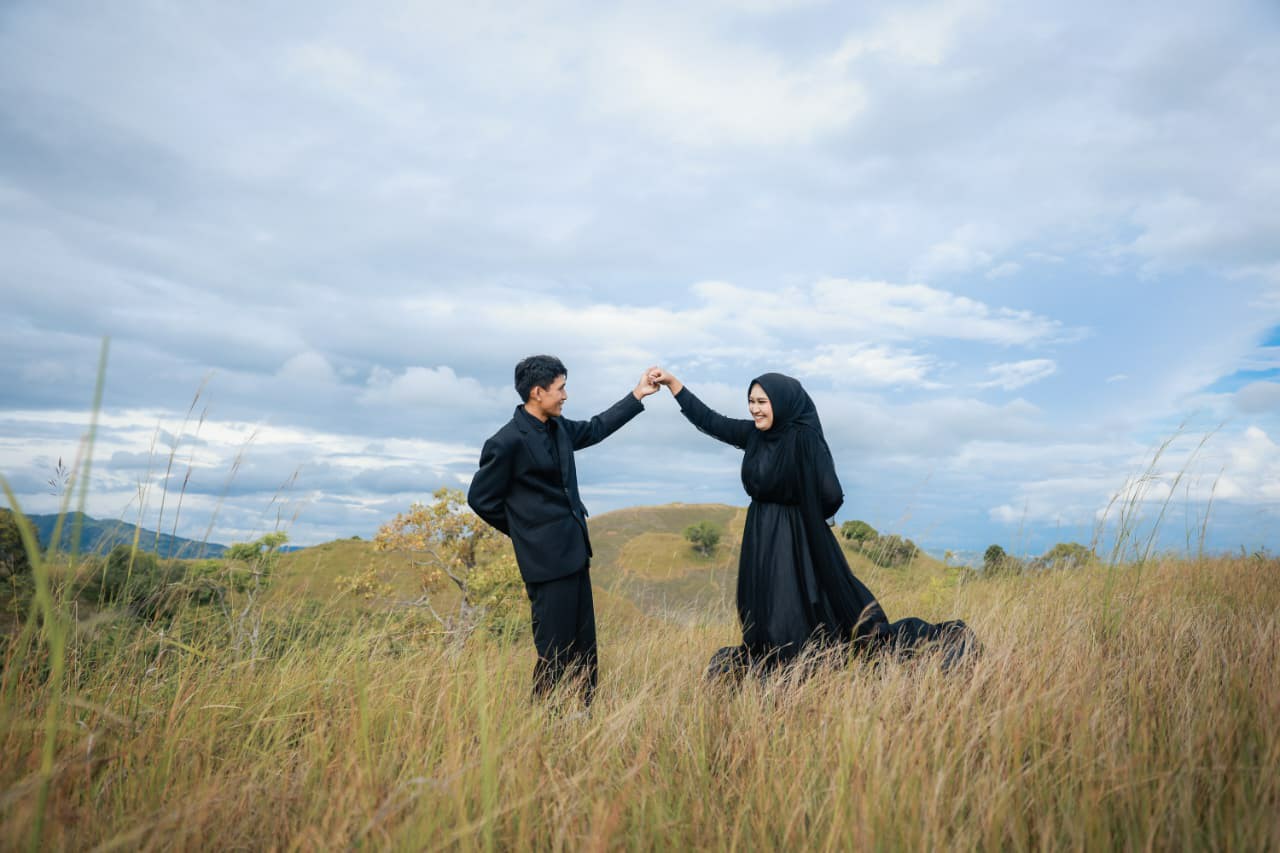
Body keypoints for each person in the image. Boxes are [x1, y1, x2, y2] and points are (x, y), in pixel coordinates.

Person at [649, 368, 977, 676]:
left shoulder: (803, 438)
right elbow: (711, 421)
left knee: (791, 608)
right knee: (764, 609)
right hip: (760, 536)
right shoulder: (754, 436)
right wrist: (674, 385)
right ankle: (779, 662)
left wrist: (804, 518)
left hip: (796, 538)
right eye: (751, 401)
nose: (755, 409)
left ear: (782, 403)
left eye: (762, 402)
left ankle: (797, 665)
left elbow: (831, 492)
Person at [468, 355, 661, 706]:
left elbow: (596, 428)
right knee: (554, 650)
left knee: (585, 647)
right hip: (544, 563)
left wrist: (638, 394)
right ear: (537, 392)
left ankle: (582, 715)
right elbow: (481, 499)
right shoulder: (506, 442)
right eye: (560, 389)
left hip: (575, 553)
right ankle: (544, 719)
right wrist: (527, 533)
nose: (565, 396)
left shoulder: (559, 428)